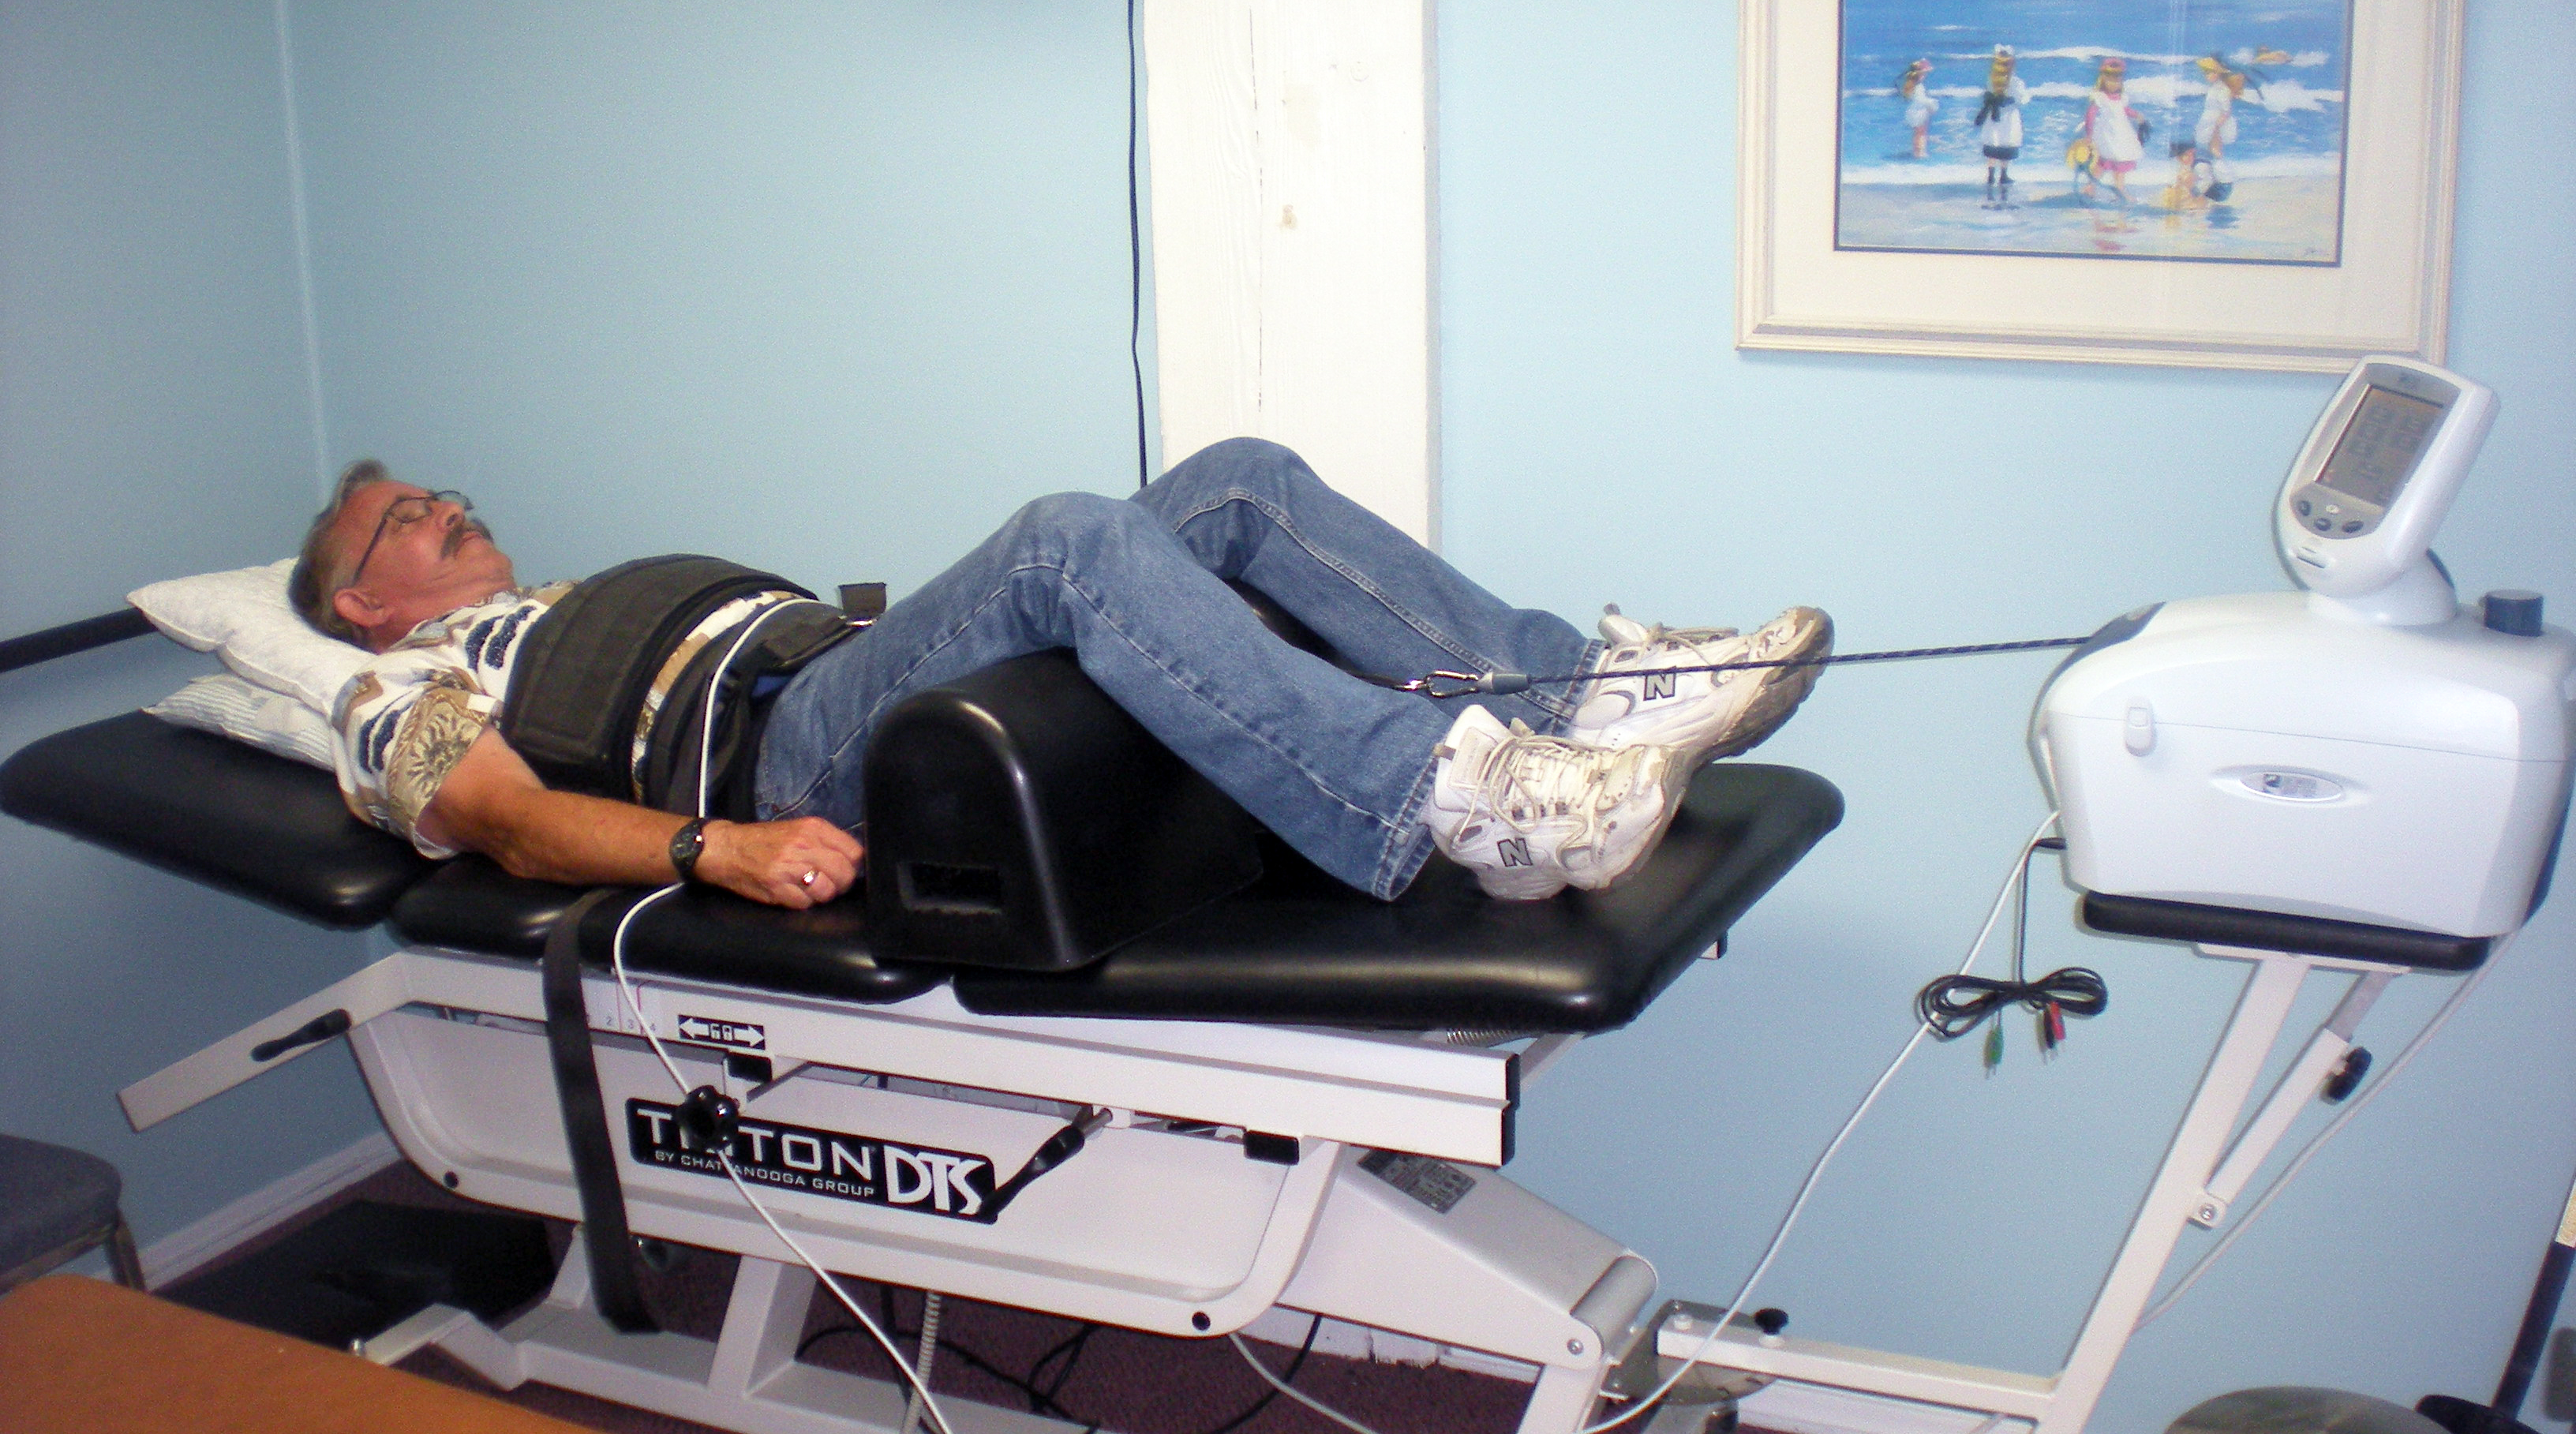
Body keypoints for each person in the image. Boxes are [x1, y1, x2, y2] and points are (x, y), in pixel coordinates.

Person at [290, 440, 1830, 910]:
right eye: (402, 518)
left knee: (1234, 481)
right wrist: (724, 852)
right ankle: (1464, 804)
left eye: (440, 493)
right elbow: (510, 829)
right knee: (1065, 542)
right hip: (777, 768)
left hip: (839, 682)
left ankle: (1571, 700)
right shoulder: (392, 696)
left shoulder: (569, 599)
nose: (444, 507)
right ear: (360, 601)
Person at [2078, 56, 2145, 202]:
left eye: (2117, 80)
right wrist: (2089, 135)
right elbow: (2090, 115)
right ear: (2103, 80)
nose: (2114, 84)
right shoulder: (2100, 97)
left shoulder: (2121, 98)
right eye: (2110, 80)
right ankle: (2090, 187)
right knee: (2101, 163)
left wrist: (2136, 115)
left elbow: (2124, 110)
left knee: (2120, 163)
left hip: (2121, 134)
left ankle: (2119, 190)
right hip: (2107, 134)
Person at [1971, 46, 2028, 207]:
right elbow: (2022, 99)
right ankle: (2003, 175)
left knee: (1994, 143)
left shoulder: (1992, 80)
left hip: (1994, 116)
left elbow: (1987, 95)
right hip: (2008, 117)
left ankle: (1991, 175)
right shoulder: (2016, 82)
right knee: (2006, 143)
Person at [1898, 59, 1935, 159]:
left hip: (1913, 111)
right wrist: (1931, 104)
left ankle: (1917, 151)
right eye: (1924, 74)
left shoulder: (1911, 86)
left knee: (1918, 133)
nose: (1925, 76)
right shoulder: (1918, 87)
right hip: (1919, 112)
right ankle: (1920, 152)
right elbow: (1921, 100)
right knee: (1921, 133)